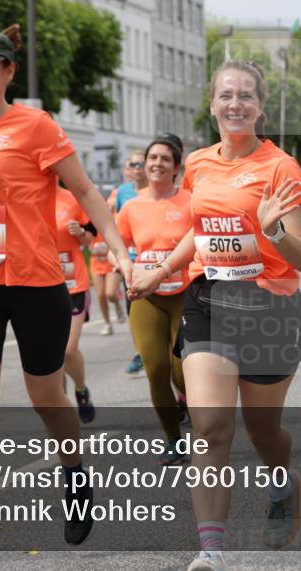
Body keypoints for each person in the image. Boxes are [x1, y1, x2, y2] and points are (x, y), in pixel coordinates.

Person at [0, 26, 133, 570]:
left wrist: (118, 251)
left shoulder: (36, 125)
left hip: (36, 281)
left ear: (8, 73)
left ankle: (74, 473)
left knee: (48, 399)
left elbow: (85, 190)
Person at [128, 60, 301, 571]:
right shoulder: (202, 164)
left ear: (260, 107)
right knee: (210, 427)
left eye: (246, 96)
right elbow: (201, 230)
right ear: (211, 104)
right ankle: (210, 552)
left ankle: (282, 482)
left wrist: (273, 231)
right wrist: (160, 269)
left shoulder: (281, 168)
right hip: (208, 299)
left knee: (262, 430)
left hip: (269, 305)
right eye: (226, 95)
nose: (235, 103)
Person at [117, 136, 192, 464]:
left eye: (165, 159)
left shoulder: (191, 201)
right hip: (145, 295)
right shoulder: (131, 206)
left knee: (181, 372)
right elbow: (119, 244)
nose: (157, 163)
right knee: (156, 369)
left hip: (185, 293)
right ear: (145, 164)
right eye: (152, 158)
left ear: (176, 168)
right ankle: (174, 440)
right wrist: (126, 267)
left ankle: (190, 400)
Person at [54, 180, 96, 424]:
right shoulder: (24, 196)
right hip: (39, 284)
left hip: (73, 284)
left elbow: (90, 237)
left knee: (67, 350)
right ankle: (61, 411)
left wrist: (80, 233)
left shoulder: (71, 197)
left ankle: (80, 389)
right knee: (51, 355)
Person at [112, 151, 148, 374]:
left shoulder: (155, 191)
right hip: (132, 261)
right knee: (134, 310)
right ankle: (139, 352)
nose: (137, 167)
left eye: (140, 163)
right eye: (133, 164)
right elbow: (118, 226)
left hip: (153, 259)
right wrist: (118, 256)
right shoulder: (123, 192)